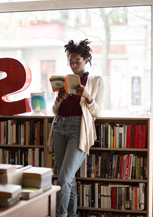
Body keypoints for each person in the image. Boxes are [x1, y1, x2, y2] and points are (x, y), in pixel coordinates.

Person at [47, 39, 105, 217]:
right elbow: (55, 111)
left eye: (77, 61)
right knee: (68, 180)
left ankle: (60, 215)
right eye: (70, 62)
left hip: (78, 130)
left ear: (87, 59)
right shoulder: (66, 81)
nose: (73, 65)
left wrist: (87, 97)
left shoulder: (95, 80)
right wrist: (59, 98)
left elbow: (98, 112)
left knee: (63, 179)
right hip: (59, 127)